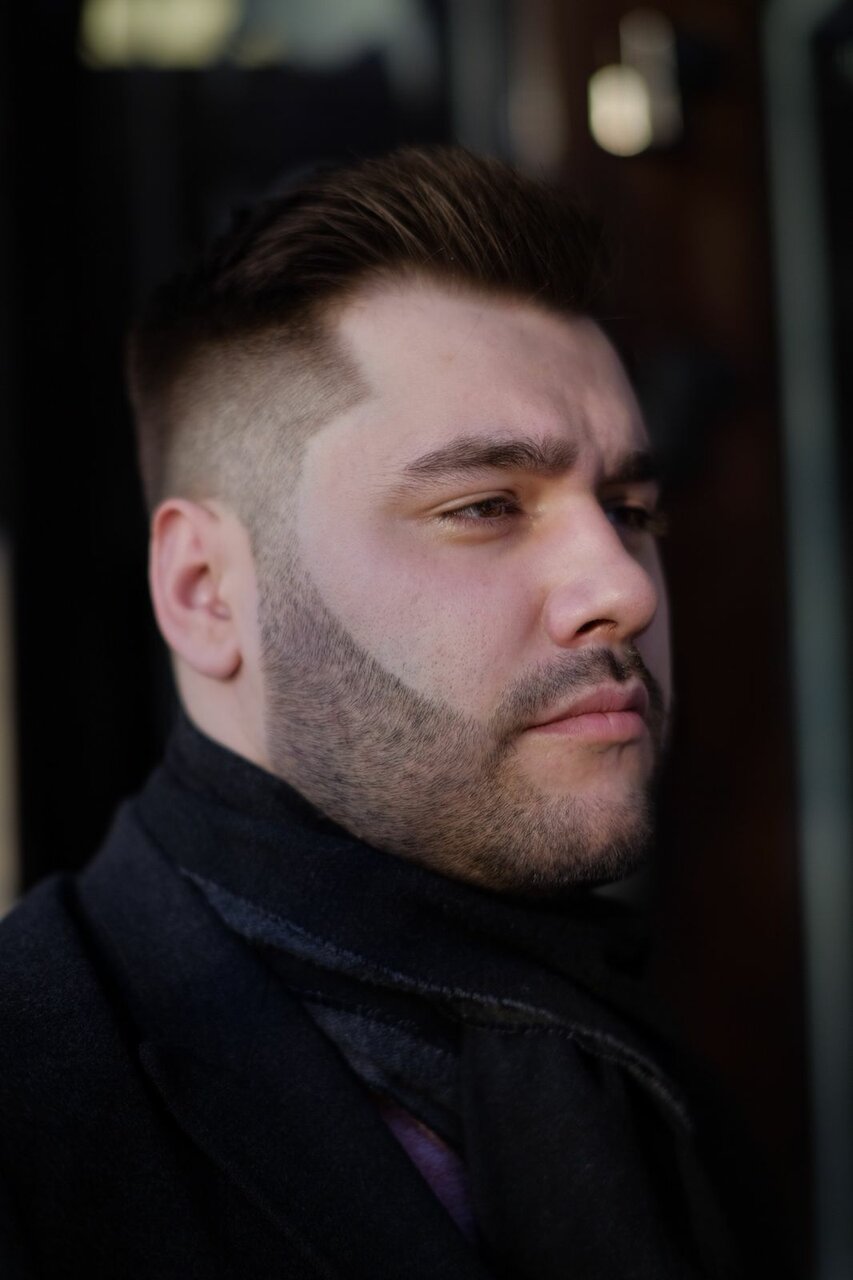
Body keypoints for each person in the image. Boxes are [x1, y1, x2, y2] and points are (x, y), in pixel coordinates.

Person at [0, 147, 758, 1279]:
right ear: (206, 591)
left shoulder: (640, 1064)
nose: (623, 587)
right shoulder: (32, 1108)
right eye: (485, 505)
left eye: (629, 508)